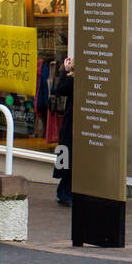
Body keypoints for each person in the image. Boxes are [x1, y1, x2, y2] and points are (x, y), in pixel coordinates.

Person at [52, 57, 74, 205]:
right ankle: (64, 192)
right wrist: (65, 72)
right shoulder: (72, 80)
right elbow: (59, 90)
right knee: (68, 157)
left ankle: (64, 191)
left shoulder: (73, 79)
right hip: (70, 124)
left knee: (70, 158)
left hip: (73, 124)